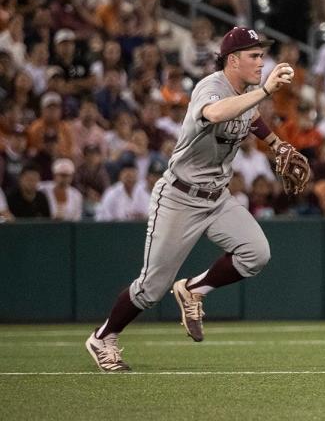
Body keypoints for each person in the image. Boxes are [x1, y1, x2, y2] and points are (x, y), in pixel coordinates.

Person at [85, 27, 302, 372]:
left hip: (217, 197)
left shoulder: (245, 92)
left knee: (255, 254)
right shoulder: (211, 87)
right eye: (255, 55)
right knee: (150, 290)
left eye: (262, 55)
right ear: (233, 60)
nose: (262, 62)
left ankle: (194, 290)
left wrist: (276, 143)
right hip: (180, 197)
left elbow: (251, 116)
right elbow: (216, 114)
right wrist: (264, 90)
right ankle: (103, 337)